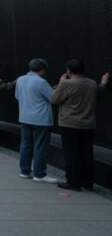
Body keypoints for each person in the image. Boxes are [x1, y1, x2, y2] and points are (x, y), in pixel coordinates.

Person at [51, 60, 109, 191]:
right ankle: (88, 182)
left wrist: (61, 83)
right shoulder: (92, 83)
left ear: (69, 71)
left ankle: (73, 182)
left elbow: (54, 99)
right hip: (88, 124)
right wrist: (104, 82)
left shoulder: (67, 84)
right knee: (87, 153)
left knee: (71, 153)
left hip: (69, 124)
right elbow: (98, 92)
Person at [15, 58, 57, 183]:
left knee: (25, 144)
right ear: (42, 70)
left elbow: (17, 96)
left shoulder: (20, 79)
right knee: (40, 146)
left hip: (24, 116)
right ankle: (39, 174)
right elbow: (53, 98)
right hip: (41, 119)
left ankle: (25, 171)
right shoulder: (41, 82)